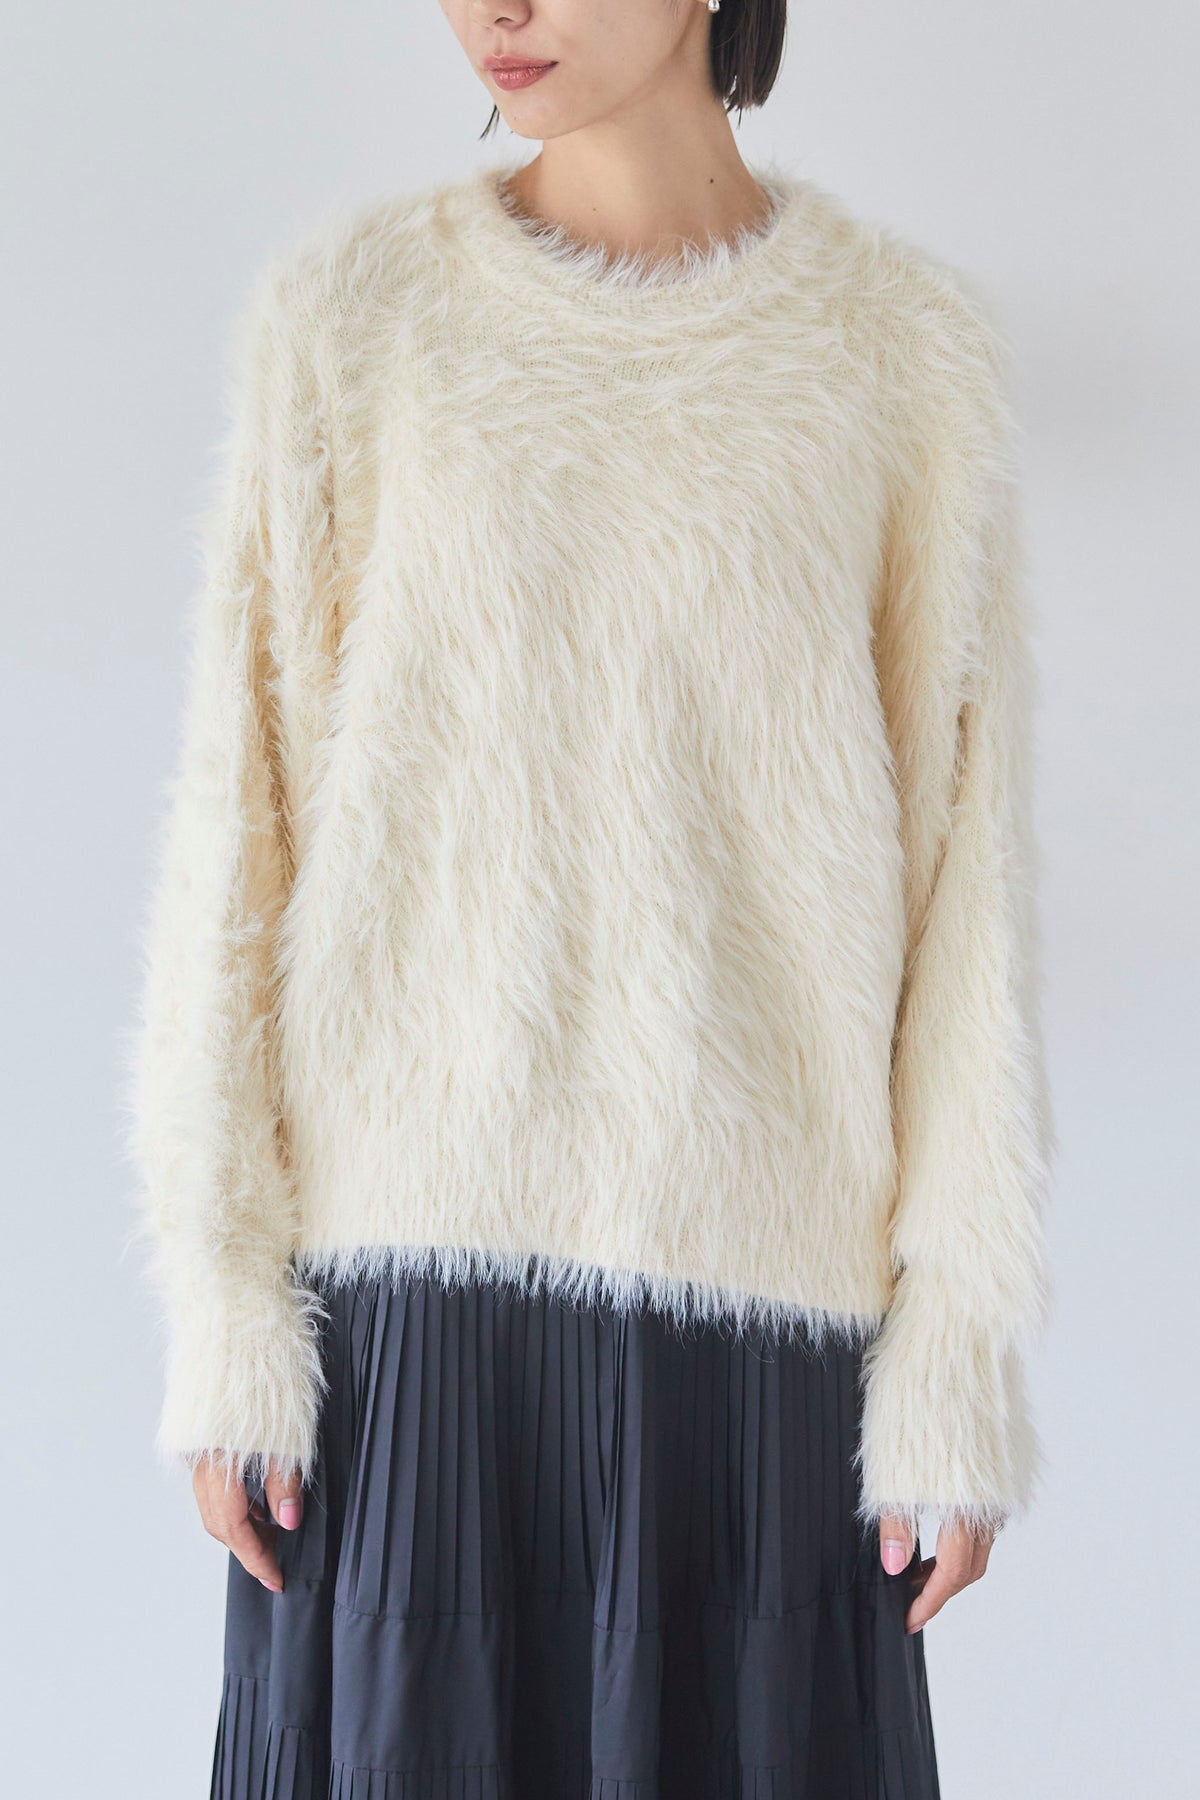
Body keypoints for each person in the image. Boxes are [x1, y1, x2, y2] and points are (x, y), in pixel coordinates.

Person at [124, 3, 1056, 1795]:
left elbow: (968, 890)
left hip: (764, 1362)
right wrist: (225, 1293)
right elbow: (241, 824)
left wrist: (955, 1343)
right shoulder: (355, 317)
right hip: (406, 1343)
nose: (495, 7)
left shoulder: (901, 356)